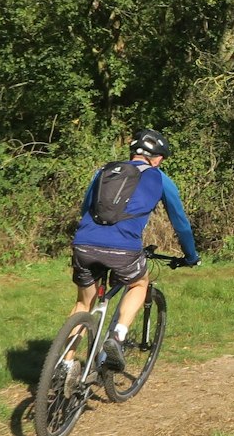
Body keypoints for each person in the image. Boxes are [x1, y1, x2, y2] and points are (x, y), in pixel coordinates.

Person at [68, 128, 200, 373]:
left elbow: (85, 208)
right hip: (123, 249)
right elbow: (180, 223)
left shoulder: (104, 172)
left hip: (84, 243)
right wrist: (191, 256)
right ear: (158, 158)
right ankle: (117, 336)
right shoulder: (160, 178)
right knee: (139, 284)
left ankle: (64, 364)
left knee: (82, 304)